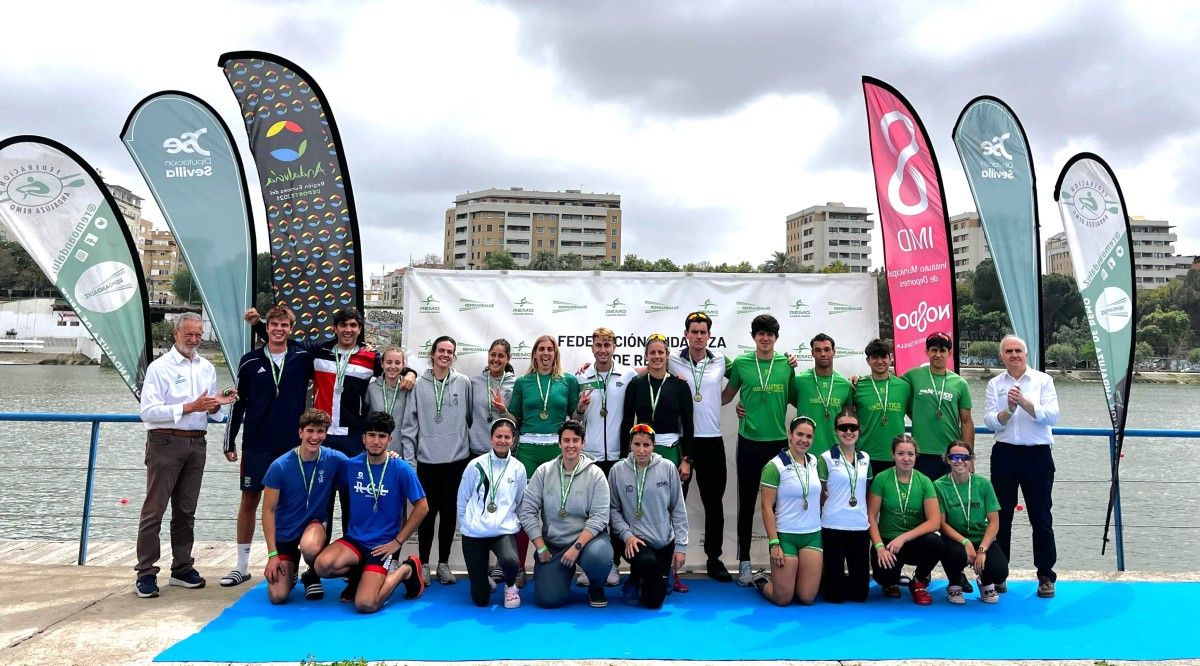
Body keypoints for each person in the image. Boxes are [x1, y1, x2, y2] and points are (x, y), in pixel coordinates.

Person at [135, 313, 237, 598]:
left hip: (197, 443)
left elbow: (211, 412)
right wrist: (189, 407)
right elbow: (148, 412)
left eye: (198, 335)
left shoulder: (206, 367)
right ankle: (145, 572)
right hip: (165, 442)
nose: (194, 340)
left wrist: (217, 405)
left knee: (186, 511)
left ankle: (181, 567)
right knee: (154, 510)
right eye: (189, 334)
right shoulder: (159, 367)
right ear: (176, 335)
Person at [222, 305, 314, 587]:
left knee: (290, 505)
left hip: (290, 446)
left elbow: (333, 351)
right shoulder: (249, 361)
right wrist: (229, 439)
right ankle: (241, 565)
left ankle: (291, 563)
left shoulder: (302, 356)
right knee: (249, 501)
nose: (279, 329)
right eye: (274, 324)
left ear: (291, 328)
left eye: (284, 325)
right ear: (268, 327)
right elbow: (239, 403)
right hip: (256, 443)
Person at [313, 411, 428, 614]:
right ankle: (361, 575)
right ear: (363, 438)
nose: (376, 441)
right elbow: (322, 467)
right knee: (322, 566)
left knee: (366, 604)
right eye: (372, 435)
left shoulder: (400, 468)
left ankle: (406, 569)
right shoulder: (351, 465)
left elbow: (422, 506)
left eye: (382, 436)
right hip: (355, 541)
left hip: (382, 545)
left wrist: (397, 542)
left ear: (390, 440)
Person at [721, 313, 796, 586]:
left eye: (770, 334)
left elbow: (799, 398)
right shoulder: (741, 363)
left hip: (778, 444)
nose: (766, 338)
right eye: (761, 334)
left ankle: (784, 557)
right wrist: (695, 399)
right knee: (747, 503)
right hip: (749, 441)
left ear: (776, 337)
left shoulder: (787, 365)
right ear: (754, 337)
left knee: (781, 506)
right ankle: (744, 563)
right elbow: (727, 396)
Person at [983, 334, 1060, 598]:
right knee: (1001, 517)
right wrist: (1009, 410)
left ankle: (1046, 576)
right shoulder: (995, 383)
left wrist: (1026, 404)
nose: (1014, 355)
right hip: (1005, 454)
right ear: (1001, 356)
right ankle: (999, 574)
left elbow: (1053, 416)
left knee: (1041, 517)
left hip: (1037, 455)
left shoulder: (1043, 380)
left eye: (1018, 350)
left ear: (1026, 354)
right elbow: (990, 420)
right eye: (1008, 351)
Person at [502, 334, 581, 585]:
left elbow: (574, 416)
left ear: (555, 353)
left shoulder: (567, 380)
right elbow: (515, 420)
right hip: (527, 451)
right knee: (525, 510)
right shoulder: (523, 382)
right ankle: (519, 567)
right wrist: (502, 411)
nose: (545, 353)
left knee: (556, 508)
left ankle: (555, 565)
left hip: (557, 451)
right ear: (534, 353)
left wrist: (583, 408)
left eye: (550, 349)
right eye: (541, 349)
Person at [400, 335, 473, 585]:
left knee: (449, 514)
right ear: (432, 354)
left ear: (454, 356)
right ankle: (424, 563)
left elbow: (470, 419)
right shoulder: (418, 384)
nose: (445, 355)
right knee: (427, 516)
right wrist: (411, 464)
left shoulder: (463, 383)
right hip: (427, 462)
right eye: (441, 350)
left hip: (456, 461)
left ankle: (443, 563)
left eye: (449, 351)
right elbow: (409, 427)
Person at [667, 310, 733, 582]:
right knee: (672, 502)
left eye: (703, 332)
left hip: (712, 440)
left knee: (713, 503)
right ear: (686, 335)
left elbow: (747, 374)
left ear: (709, 335)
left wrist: (725, 401)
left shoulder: (720, 360)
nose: (698, 336)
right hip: (683, 442)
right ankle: (667, 556)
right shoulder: (672, 361)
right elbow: (648, 368)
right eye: (693, 332)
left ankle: (714, 559)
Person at [517, 420, 614, 608]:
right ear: (559, 443)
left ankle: (596, 587)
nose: (571, 445)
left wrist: (576, 547)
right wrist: (540, 546)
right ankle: (560, 577)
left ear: (583, 443)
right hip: (554, 543)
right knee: (548, 600)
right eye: (566, 440)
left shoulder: (596, 474)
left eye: (576, 440)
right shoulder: (543, 472)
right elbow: (527, 511)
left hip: (586, 541)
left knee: (599, 557)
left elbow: (600, 517)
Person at [260, 409, 348, 603]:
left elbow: (364, 466)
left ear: (325, 434)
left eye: (320, 431)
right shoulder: (280, 466)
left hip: (313, 526)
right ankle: (290, 566)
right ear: (300, 433)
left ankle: (311, 572)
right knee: (278, 596)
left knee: (310, 547)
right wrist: (272, 554)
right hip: (285, 532)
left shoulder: (334, 458)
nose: (314, 437)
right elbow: (268, 511)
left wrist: (390, 455)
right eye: (310, 431)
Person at [574, 327, 637, 587]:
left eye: (607, 345)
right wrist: (579, 409)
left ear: (614, 347)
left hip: (618, 455)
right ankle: (588, 566)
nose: (602, 350)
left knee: (615, 513)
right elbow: (575, 419)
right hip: (589, 456)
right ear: (592, 347)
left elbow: (652, 371)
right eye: (598, 345)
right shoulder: (580, 377)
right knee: (589, 513)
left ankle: (613, 566)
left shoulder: (628, 374)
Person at [609, 424, 689, 609]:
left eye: (646, 445)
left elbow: (678, 508)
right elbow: (613, 510)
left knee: (653, 602)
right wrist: (627, 535)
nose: (641, 450)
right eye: (637, 444)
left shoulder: (668, 468)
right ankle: (634, 581)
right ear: (630, 445)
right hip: (635, 541)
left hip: (662, 541)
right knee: (646, 561)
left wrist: (681, 546)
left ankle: (658, 576)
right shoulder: (617, 470)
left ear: (654, 446)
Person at [456, 418, 528, 608]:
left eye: (507, 437)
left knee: (511, 561)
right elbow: (462, 499)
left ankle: (511, 587)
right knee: (481, 599)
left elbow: (520, 501)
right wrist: (466, 525)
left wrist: (515, 523)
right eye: (498, 436)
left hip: (502, 532)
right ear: (491, 439)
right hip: (475, 533)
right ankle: (482, 579)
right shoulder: (475, 465)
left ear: (513, 440)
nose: (502, 441)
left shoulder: (518, 468)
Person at [752, 416, 822, 606]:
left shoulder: (814, 461)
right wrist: (775, 543)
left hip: (812, 535)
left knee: (806, 598)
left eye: (809, 436)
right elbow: (766, 507)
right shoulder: (774, 466)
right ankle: (761, 580)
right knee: (782, 599)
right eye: (799, 434)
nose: (804, 440)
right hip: (785, 537)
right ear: (789, 434)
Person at [867, 434, 942, 605]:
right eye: (901, 454)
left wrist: (903, 537)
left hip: (912, 540)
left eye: (910, 454)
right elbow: (871, 516)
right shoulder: (882, 479)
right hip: (888, 542)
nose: (906, 458)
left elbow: (934, 522)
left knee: (935, 543)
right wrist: (879, 547)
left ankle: (918, 581)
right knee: (885, 577)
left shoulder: (924, 482)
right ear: (893, 455)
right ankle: (890, 581)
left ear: (916, 456)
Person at [935, 440, 1007, 604]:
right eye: (955, 457)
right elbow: (941, 524)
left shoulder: (983, 484)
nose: (959, 461)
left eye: (964, 457)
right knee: (953, 553)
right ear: (947, 459)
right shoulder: (939, 486)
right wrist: (965, 542)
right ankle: (954, 583)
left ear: (971, 460)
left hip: (980, 537)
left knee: (1000, 571)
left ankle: (985, 581)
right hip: (955, 539)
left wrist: (982, 550)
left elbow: (994, 522)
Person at [817, 408, 872, 603]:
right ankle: (832, 580)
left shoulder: (865, 458)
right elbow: (820, 493)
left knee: (860, 595)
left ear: (859, 430)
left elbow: (866, 490)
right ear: (836, 430)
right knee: (835, 596)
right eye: (843, 427)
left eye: (853, 427)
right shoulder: (825, 458)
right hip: (832, 527)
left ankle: (845, 580)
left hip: (858, 526)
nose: (848, 432)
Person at [902, 332, 973, 480]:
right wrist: (857, 379)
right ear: (927, 351)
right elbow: (891, 385)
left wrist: (968, 457)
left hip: (950, 453)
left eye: (943, 351)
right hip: (920, 452)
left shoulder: (960, 383)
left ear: (950, 353)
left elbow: (966, 421)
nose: (938, 355)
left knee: (949, 500)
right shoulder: (913, 375)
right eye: (934, 350)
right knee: (923, 500)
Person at [853, 338, 910, 478]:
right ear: (868, 360)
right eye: (875, 357)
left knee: (893, 499)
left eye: (883, 357)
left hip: (897, 455)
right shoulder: (857, 386)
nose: (879, 361)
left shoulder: (904, 387)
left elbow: (916, 415)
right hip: (865, 455)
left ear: (890, 358)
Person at [792, 333, 853, 455]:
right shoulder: (799, 381)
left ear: (834, 351)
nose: (823, 354)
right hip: (805, 451)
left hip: (835, 453)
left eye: (827, 349)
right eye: (818, 350)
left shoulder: (845, 384)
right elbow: (782, 399)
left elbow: (848, 418)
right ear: (812, 353)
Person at [469, 339, 516, 456]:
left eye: (501, 356)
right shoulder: (474, 383)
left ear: (508, 359)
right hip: (477, 450)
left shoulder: (515, 384)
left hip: (505, 451)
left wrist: (503, 411)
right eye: (493, 355)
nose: (496, 359)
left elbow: (518, 421)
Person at [366, 346, 414, 453]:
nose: (393, 366)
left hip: (401, 450)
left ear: (403, 365)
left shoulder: (410, 388)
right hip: (377, 449)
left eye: (397, 363)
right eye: (389, 362)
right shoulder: (372, 388)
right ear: (382, 364)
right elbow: (367, 420)